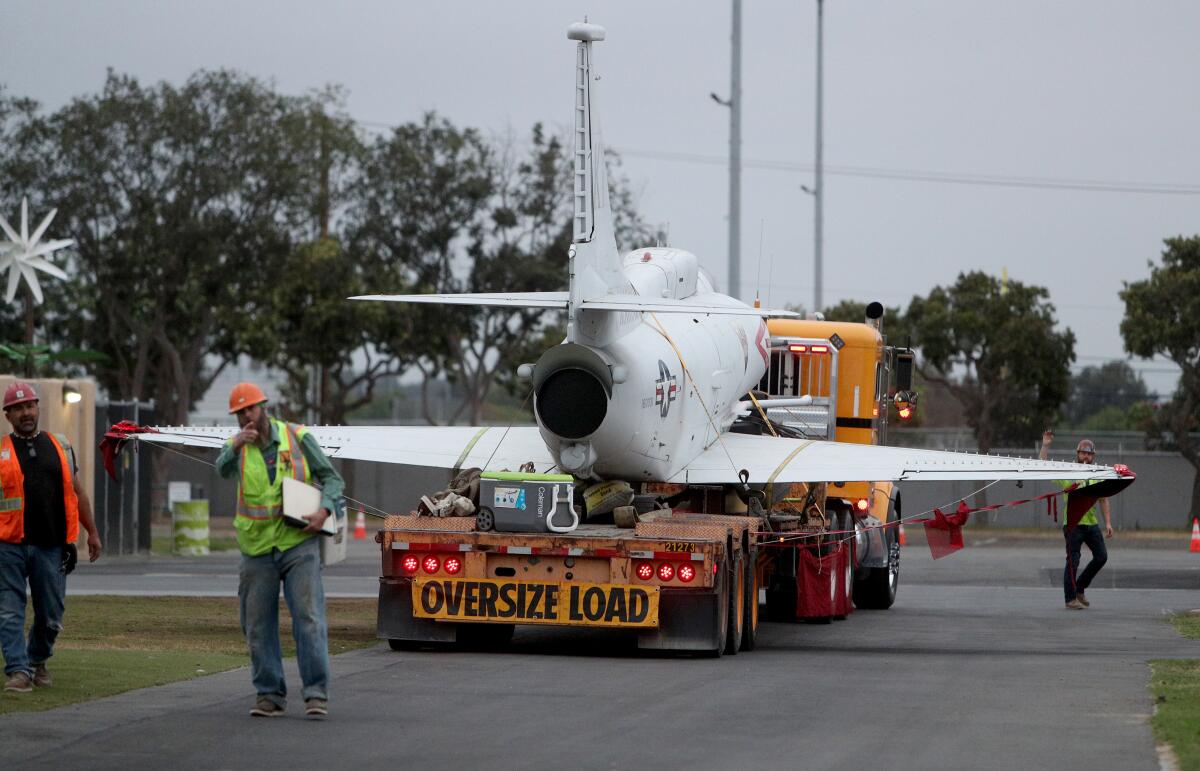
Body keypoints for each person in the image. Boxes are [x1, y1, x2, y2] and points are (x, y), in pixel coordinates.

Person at [216, 382, 344, 719]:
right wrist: (234, 446)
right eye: (240, 412)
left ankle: (316, 694)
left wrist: (324, 511)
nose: (246, 416)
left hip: (298, 543)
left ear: (264, 407)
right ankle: (270, 695)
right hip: (257, 547)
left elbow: (332, 480)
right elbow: (222, 469)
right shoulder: (238, 446)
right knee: (257, 624)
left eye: (251, 408)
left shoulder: (297, 437)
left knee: (309, 618)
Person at [1, 381, 102, 693]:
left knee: (51, 613)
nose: (25, 412)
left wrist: (93, 532)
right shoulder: (1, 452)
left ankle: (36, 660)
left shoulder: (60, 446)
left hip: (52, 546)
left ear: (38, 409)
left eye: (29, 405)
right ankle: (18, 670)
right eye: (18, 408)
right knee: (9, 610)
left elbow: (78, 492)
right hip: (9, 546)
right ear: (8, 415)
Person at [1040, 431, 1112, 610]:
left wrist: (1108, 523)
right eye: (1083, 453)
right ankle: (1070, 598)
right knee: (1073, 560)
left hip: (1091, 523)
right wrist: (1045, 445)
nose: (1086, 456)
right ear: (1077, 454)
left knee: (1102, 557)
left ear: (1093, 456)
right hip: (1073, 524)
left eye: (1089, 453)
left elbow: (1103, 499)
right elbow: (1043, 466)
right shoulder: (1068, 472)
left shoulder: (1097, 474)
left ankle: (1080, 587)